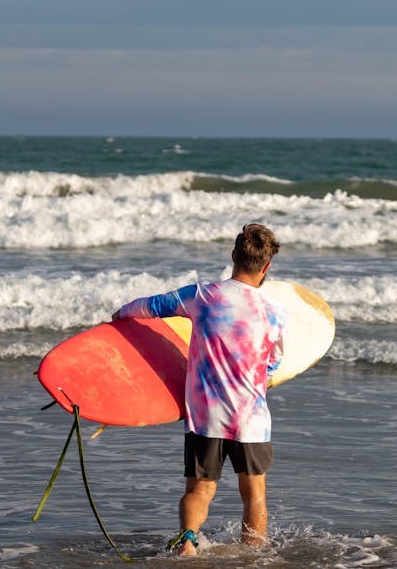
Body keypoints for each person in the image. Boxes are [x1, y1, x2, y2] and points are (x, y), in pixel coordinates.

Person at [112, 223, 287, 556]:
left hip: (207, 417)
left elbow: (150, 306)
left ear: (233, 256)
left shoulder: (202, 295)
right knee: (254, 494)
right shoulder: (276, 313)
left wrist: (120, 314)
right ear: (266, 267)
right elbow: (274, 363)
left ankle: (187, 545)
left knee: (200, 490)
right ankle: (252, 558)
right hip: (251, 418)